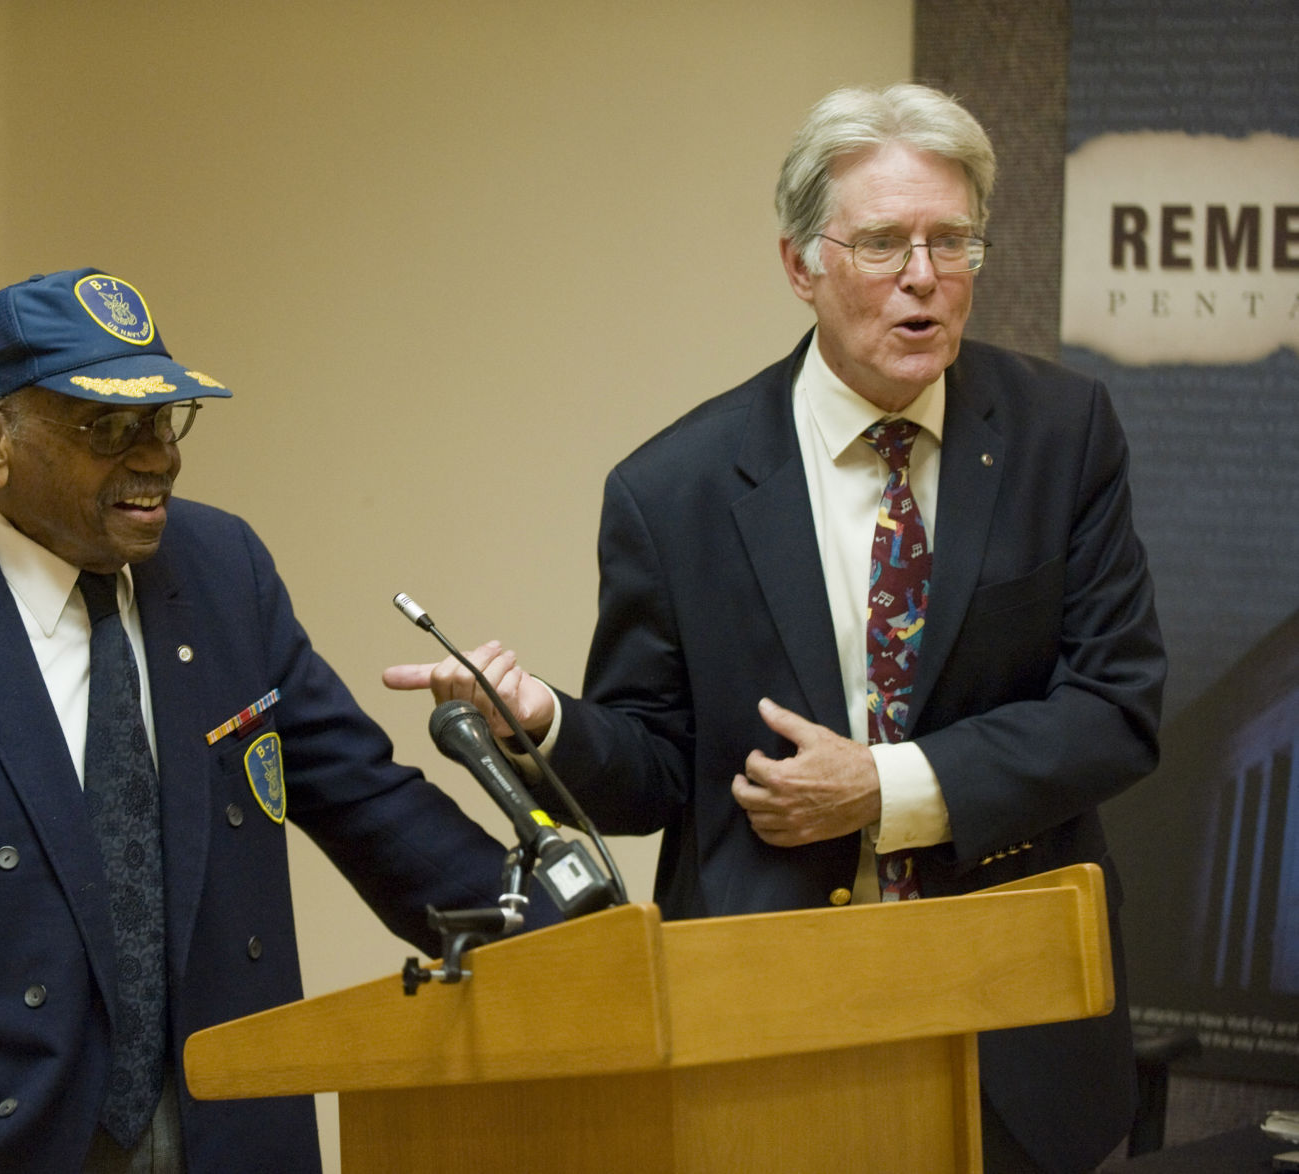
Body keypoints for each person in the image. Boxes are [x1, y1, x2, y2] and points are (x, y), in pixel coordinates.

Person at [386, 84, 1165, 1173]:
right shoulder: (677, 487)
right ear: (800, 266)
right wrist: (546, 723)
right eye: (885, 242)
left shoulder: (1060, 434)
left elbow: (1114, 711)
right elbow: (656, 772)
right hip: (766, 1031)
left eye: (951, 241)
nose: (924, 277)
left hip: (1015, 1025)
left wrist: (887, 789)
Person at [0, 268, 530, 1174]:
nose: (157, 457)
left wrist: (560, 937)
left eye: (165, 419)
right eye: (108, 427)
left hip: (232, 1127)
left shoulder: (225, 573)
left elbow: (367, 804)